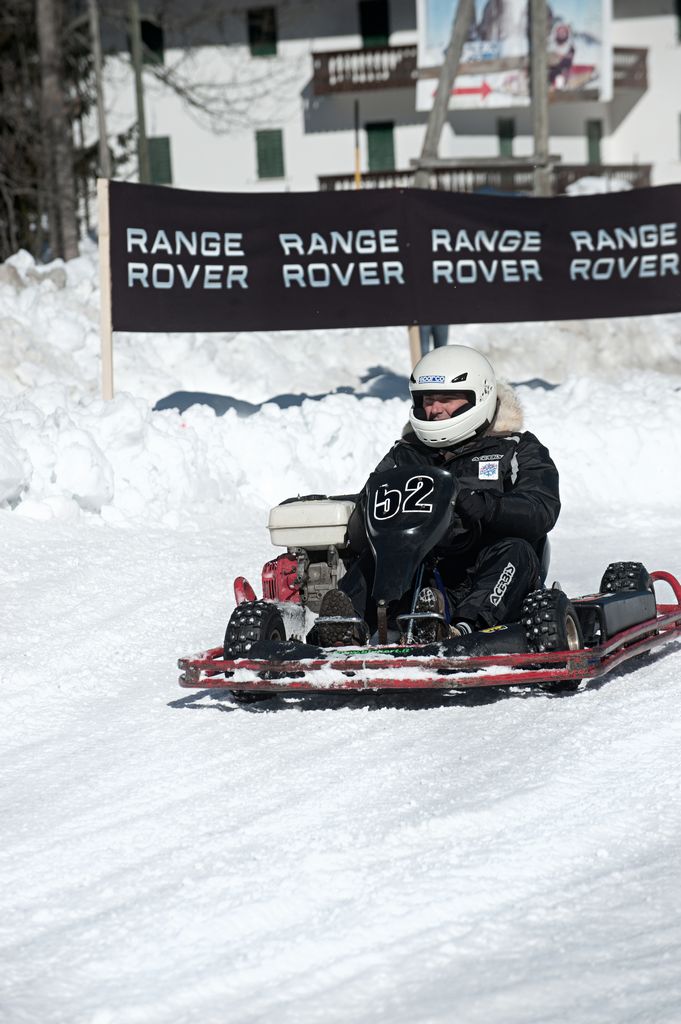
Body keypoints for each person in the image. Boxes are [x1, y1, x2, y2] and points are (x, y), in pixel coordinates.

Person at [316, 345, 561, 646]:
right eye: (428, 400)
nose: (435, 410)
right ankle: (343, 629)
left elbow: (542, 508)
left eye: (446, 399)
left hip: (487, 569)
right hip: (422, 569)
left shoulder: (516, 448)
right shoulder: (405, 454)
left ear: (479, 396)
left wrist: (489, 507)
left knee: (515, 550)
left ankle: (461, 631)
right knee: (375, 556)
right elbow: (369, 508)